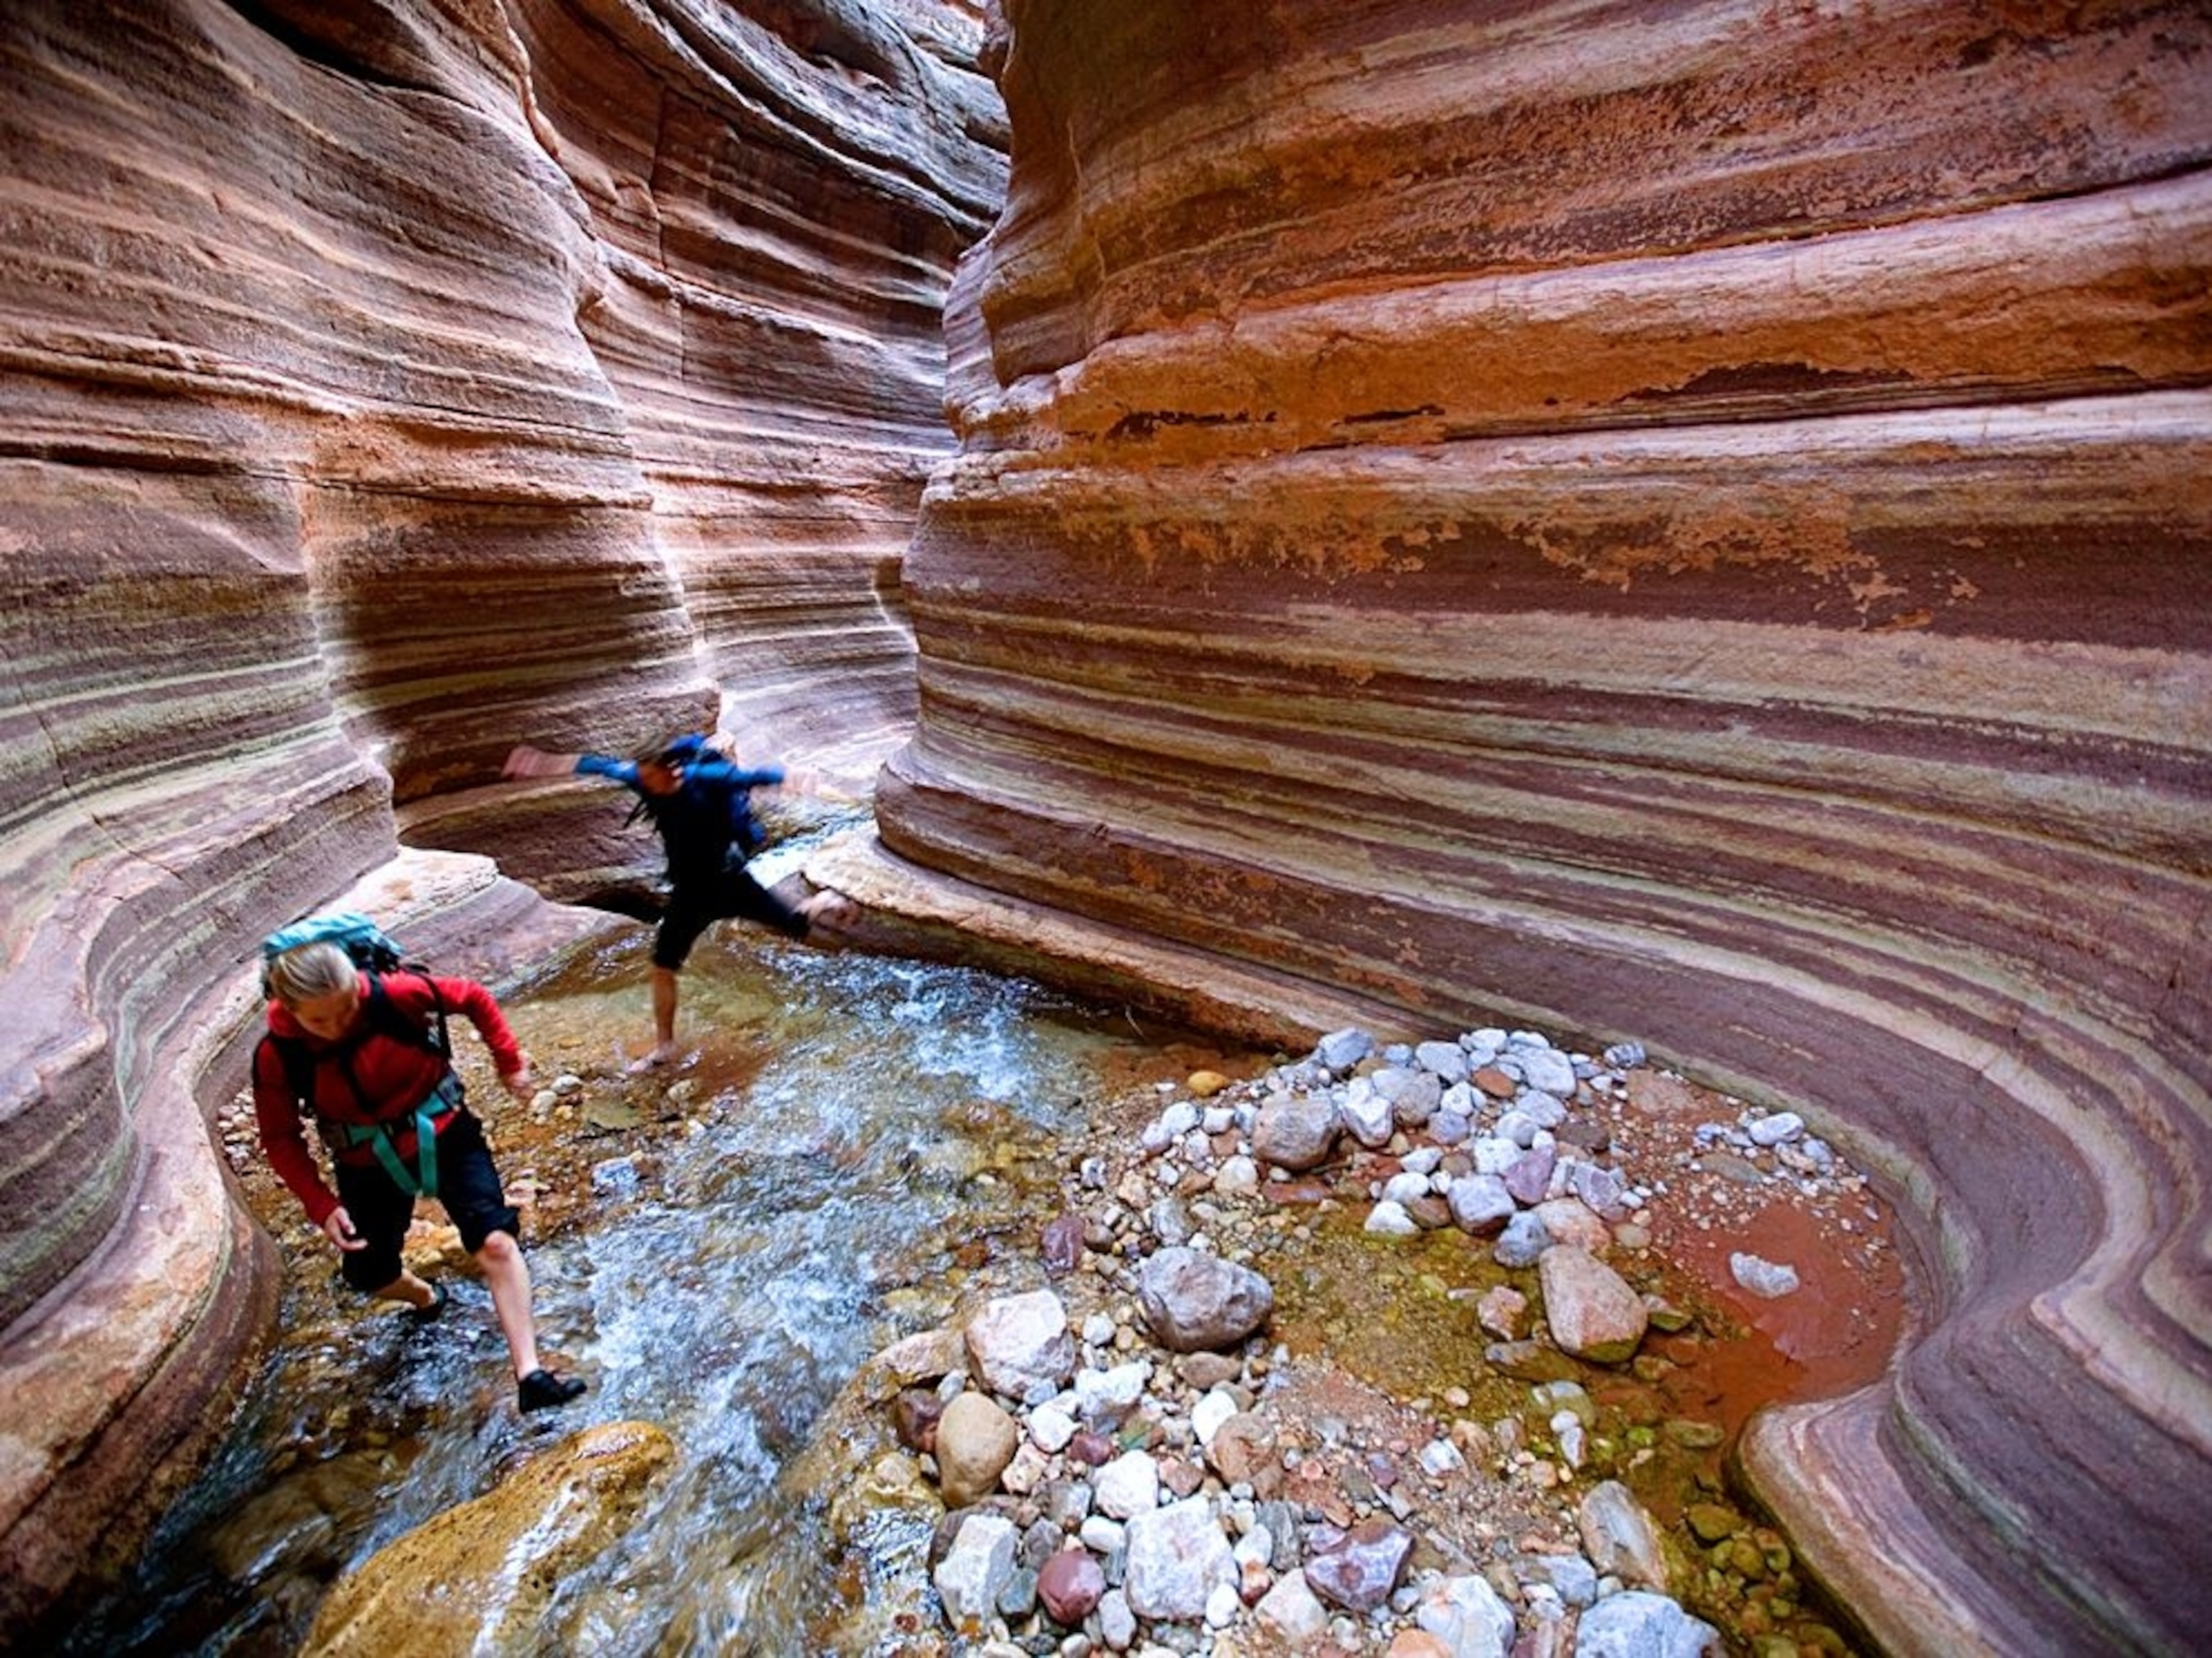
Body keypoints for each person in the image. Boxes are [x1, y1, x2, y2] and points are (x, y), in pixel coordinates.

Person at [253, 941, 588, 1412]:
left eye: (346, 1009)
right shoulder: (278, 1054)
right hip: (365, 1164)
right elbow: (281, 1138)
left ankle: (531, 1374)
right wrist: (321, 1205)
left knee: (494, 1241)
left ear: (356, 985)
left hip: (446, 1133)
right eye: (319, 1021)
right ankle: (427, 1297)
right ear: (288, 1009)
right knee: (370, 1274)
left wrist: (508, 1061)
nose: (338, 1027)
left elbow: (471, 997)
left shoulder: (394, 994)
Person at [503, 732, 854, 1066]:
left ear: (669, 770)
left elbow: (752, 776)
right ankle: (665, 1046)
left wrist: (793, 776)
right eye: (640, 773)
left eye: (647, 774)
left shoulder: (706, 778)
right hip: (690, 893)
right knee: (663, 965)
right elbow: (594, 764)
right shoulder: (640, 776)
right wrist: (542, 762)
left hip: (732, 882)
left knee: (796, 925)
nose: (642, 781)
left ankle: (824, 899)